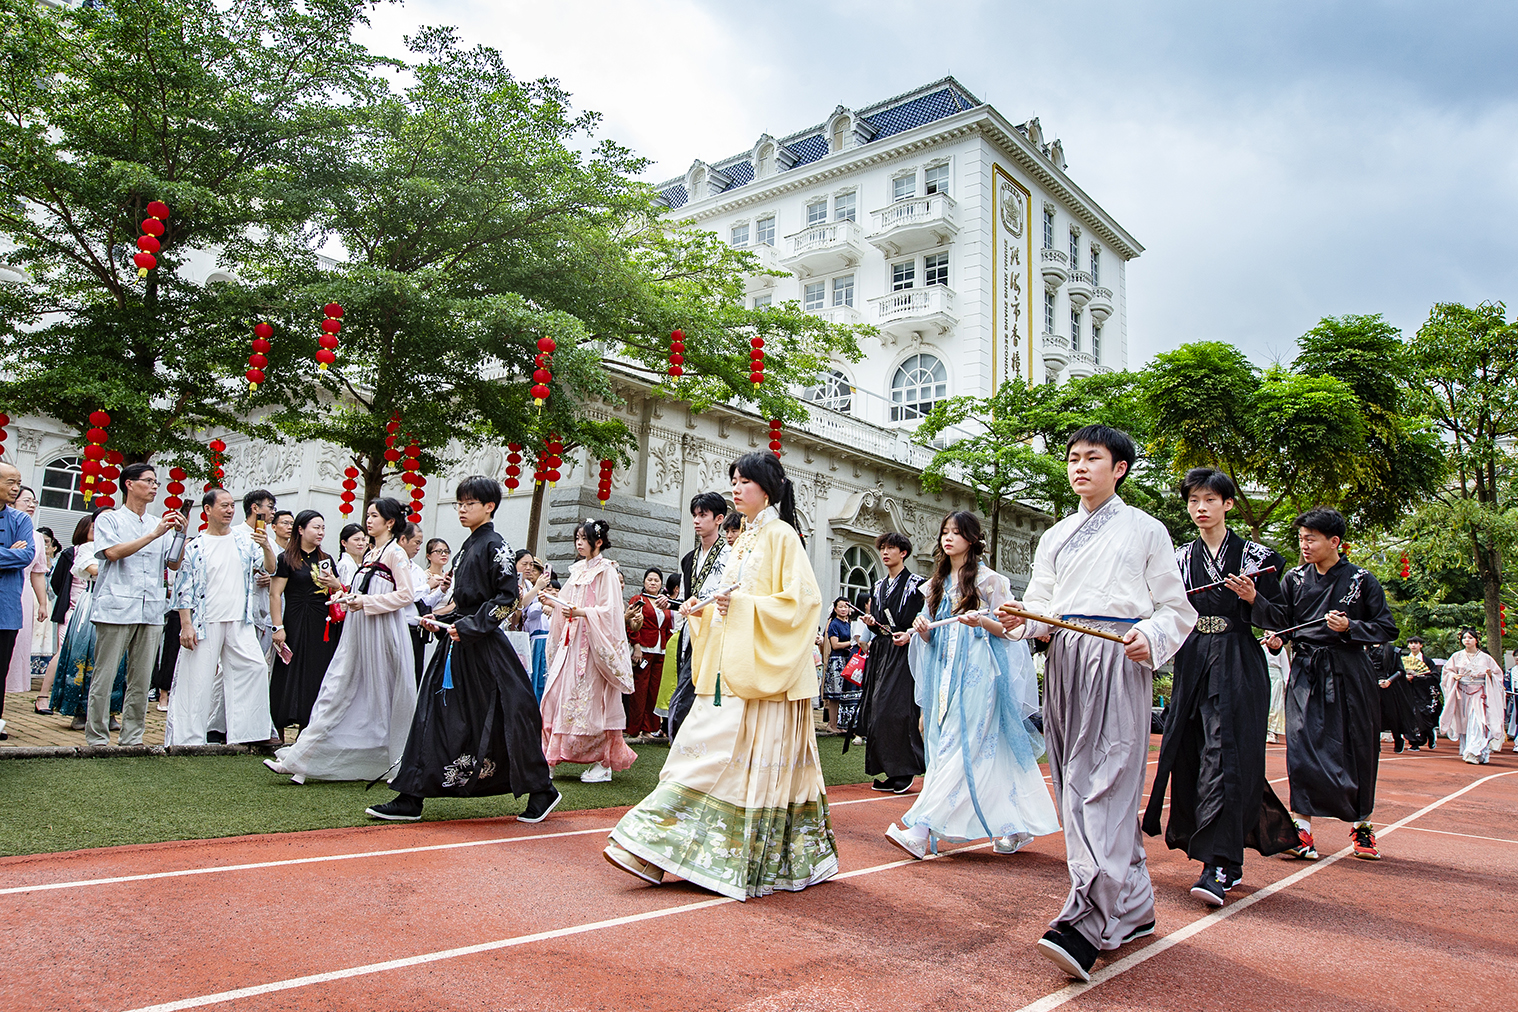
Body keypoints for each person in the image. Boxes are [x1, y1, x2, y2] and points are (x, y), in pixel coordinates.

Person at [998, 425, 1197, 982]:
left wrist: (1150, 636)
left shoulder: (1147, 529)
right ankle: (1133, 907)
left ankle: (1084, 921)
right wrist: (1017, 622)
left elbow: (1176, 609)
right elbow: (1041, 606)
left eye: (1093, 458)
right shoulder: (1056, 535)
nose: (1080, 467)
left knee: (1107, 782)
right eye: (1073, 458)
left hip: (1116, 655)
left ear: (1120, 468)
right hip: (1065, 657)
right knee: (1072, 781)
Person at [606, 451, 836, 901]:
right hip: (732, 670)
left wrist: (742, 606)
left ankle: (663, 850)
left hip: (761, 678)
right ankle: (654, 848)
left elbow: (805, 603)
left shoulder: (782, 535)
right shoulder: (745, 539)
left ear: (767, 488)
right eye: (734, 479)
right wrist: (703, 609)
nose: (736, 488)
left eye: (745, 481)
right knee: (696, 754)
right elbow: (727, 597)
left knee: (710, 758)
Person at [1141, 468, 1297, 908]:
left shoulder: (1258, 557)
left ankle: (1219, 863)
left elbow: (1282, 620)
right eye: (1193, 501)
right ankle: (1213, 846)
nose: (1201, 508)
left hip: (1238, 660)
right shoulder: (1177, 558)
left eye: (1210, 499)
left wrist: (1253, 599)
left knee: (1226, 754)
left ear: (1228, 504)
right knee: (1190, 752)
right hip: (1193, 660)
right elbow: (1162, 611)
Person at [366, 476, 560, 824]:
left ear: (489, 506)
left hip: (485, 650)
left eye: (469, 503)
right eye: (459, 503)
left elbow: (507, 600)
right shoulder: (467, 547)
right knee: (432, 714)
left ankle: (541, 789)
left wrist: (469, 626)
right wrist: (439, 618)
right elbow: (462, 601)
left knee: (511, 714)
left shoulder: (496, 546)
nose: (461, 509)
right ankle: (411, 795)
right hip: (457, 646)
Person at [885, 511, 1059, 860]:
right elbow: (932, 637)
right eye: (944, 532)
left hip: (980, 676)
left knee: (957, 747)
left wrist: (981, 621)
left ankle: (920, 831)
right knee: (969, 751)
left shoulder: (991, 581)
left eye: (956, 532)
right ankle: (1015, 825)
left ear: (972, 539)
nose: (948, 538)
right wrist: (922, 630)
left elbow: (1009, 631)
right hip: (944, 677)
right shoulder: (934, 585)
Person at [1251, 507, 1398, 862]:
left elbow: (1387, 627)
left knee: (1358, 748)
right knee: (1300, 748)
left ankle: (1362, 827)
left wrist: (1351, 628)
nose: (1304, 545)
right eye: (1301, 538)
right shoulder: (1294, 579)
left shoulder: (1362, 580)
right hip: (1306, 671)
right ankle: (1301, 830)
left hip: (1350, 671)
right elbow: (1283, 621)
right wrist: (1272, 631)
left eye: (1311, 539)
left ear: (1334, 541)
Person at [264, 498, 417, 783]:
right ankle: (302, 759)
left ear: (390, 522)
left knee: (381, 695)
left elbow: (406, 595)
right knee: (335, 688)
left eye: (374, 516)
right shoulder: (372, 554)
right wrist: (348, 597)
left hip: (381, 633)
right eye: (368, 515)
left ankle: (394, 761)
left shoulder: (395, 553)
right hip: (359, 630)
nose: (368, 520)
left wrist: (364, 601)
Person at [165, 489, 277, 745]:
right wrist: (186, 625)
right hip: (206, 621)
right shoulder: (196, 546)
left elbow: (269, 568)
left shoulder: (245, 541)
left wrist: (266, 545)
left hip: (239, 620)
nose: (229, 510)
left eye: (231, 506)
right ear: (207, 509)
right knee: (197, 679)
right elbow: (184, 588)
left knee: (255, 668)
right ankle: (188, 738)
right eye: (223, 505)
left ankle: (249, 733)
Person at [86, 463, 184, 746]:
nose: (154, 487)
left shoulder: (158, 523)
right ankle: (97, 737)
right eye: (149, 481)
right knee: (105, 676)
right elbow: (112, 553)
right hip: (116, 605)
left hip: (151, 607)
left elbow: (173, 563)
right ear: (129, 484)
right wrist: (154, 534)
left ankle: (132, 737)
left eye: (156, 482)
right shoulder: (110, 519)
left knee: (141, 679)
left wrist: (179, 534)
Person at [540, 518, 636, 782]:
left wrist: (582, 612)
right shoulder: (577, 570)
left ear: (599, 542)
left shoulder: (607, 571)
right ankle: (551, 755)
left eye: (584, 539)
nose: (579, 543)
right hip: (572, 643)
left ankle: (603, 763)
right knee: (557, 694)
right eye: (577, 538)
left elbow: (611, 611)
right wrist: (554, 601)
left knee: (593, 701)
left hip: (594, 647)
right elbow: (566, 602)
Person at [848, 531, 926, 793]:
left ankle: (905, 769)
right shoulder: (879, 585)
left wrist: (911, 634)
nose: (885, 552)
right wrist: (872, 622)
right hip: (881, 651)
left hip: (905, 650)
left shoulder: (917, 584)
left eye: (891, 548)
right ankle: (891, 770)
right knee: (876, 709)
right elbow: (881, 623)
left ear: (903, 553)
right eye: (882, 548)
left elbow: (925, 618)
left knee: (898, 709)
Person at [48, 510, 127, 728]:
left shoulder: (125, 545)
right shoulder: (87, 548)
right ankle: (79, 712)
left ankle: (110, 712)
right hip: (92, 603)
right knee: (84, 655)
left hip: (119, 605)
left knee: (116, 658)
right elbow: (91, 569)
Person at [269, 510, 343, 732]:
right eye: (316, 527)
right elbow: (275, 594)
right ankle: (279, 726)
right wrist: (278, 627)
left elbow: (338, 591)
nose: (321, 532)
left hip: (321, 622)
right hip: (295, 619)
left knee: (316, 671)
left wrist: (335, 584)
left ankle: (308, 727)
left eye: (323, 528)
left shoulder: (326, 559)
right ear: (300, 530)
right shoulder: (286, 558)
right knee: (288, 670)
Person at [668, 492, 730, 741]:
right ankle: (686, 746)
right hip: (690, 633)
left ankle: (686, 744)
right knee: (687, 690)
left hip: (717, 633)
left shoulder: (731, 556)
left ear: (719, 519)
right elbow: (685, 597)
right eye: (694, 515)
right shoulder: (689, 559)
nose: (696, 520)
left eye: (703, 515)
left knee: (694, 696)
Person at [38, 514, 92, 714]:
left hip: (95, 613)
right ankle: (43, 695)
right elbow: (57, 582)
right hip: (72, 611)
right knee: (63, 652)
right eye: (94, 528)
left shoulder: (107, 552)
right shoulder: (71, 554)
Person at [0, 463, 39, 738]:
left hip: (6, 609)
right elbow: (17, 556)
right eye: (10, 482)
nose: (16, 488)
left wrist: (16, 554)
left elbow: (27, 556)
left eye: (18, 482)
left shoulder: (21, 520)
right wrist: (9, 553)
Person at [1438, 628, 1504, 765]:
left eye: (1470, 638)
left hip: (1479, 694)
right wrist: (1453, 676)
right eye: (1464, 638)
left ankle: (1473, 752)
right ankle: (1477, 752)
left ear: (1476, 640)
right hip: (1462, 694)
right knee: (1466, 723)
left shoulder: (1486, 658)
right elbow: (1447, 673)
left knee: (1478, 722)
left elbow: (1498, 675)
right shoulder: (1456, 656)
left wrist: (1490, 675)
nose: (1467, 640)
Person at [5, 486, 47, 697]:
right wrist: (10, 554)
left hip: (24, 594)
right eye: (26, 500)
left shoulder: (36, 537)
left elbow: (37, 573)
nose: (31, 505)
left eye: (34, 502)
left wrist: (42, 602)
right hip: (7, 586)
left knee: (16, 646)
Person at [624, 567, 674, 742]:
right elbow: (632, 624)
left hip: (661, 651)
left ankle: (649, 728)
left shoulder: (664, 602)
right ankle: (634, 729)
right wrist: (636, 645)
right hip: (644, 649)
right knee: (639, 691)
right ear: (644, 582)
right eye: (650, 580)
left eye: (656, 580)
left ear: (661, 584)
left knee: (654, 691)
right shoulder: (638, 600)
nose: (653, 583)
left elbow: (667, 627)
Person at [240, 489, 278, 660]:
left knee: (255, 662)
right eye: (270, 507)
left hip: (259, 611)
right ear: (255, 508)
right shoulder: (235, 534)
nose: (273, 512)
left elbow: (273, 571)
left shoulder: (271, 543)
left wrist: (270, 578)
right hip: (235, 608)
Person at [1374, 641, 1426, 753]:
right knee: (1372, 715)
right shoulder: (1365, 649)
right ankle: (1375, 743)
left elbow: (1400, 670)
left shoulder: (1393, 650)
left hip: (1389, 687)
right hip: (1371, 686)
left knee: (1392, 715)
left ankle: (1397, 737)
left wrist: (1389, 681)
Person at [514, 555, 552, 702]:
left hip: (525, 635)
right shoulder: (513, 583)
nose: (529, 568)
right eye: (525, 564)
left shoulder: (529, 585)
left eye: (531, 565)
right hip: (515, 633)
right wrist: (537, 589)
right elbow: (523, 607)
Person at [821, 597, 857, 734]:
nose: (844, 609)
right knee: (834, 694)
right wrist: (851, 642)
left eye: (846, 606)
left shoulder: (849, 623)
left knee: (843, 693)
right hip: (837, 660)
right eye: (841, 606)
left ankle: (840, 723)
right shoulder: (834, 624)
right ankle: (832, 724)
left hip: (847, 659)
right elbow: (835, 645)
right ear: (835, 609)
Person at [1402, 637, 1441, 752]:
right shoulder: (1403, 660)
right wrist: (1405, 678)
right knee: (1409, 716)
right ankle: (1414, 742)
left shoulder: (1427, 661)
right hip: (1408, 692)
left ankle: (1430, 734)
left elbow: (1435, 676)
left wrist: (1418, 678)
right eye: (1411, 643)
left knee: (1424, 716)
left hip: (1423, 693)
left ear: (1421, 645)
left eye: (1416, 643)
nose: (1413, 645)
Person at [1263, 637, 1290, 743]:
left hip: (1276, 678)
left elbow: (1285, 666)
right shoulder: (1262, 647)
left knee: (1275, 705)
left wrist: (1287, 683)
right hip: (1265, 675)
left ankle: (1272, 731)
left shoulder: (1281, 650)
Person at [336, 523, 367, 587]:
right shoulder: (345, 564)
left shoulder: (355, 563)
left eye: (363, 540)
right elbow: (347, 589)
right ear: (344, 543)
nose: (361, 543)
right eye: (356, 540)